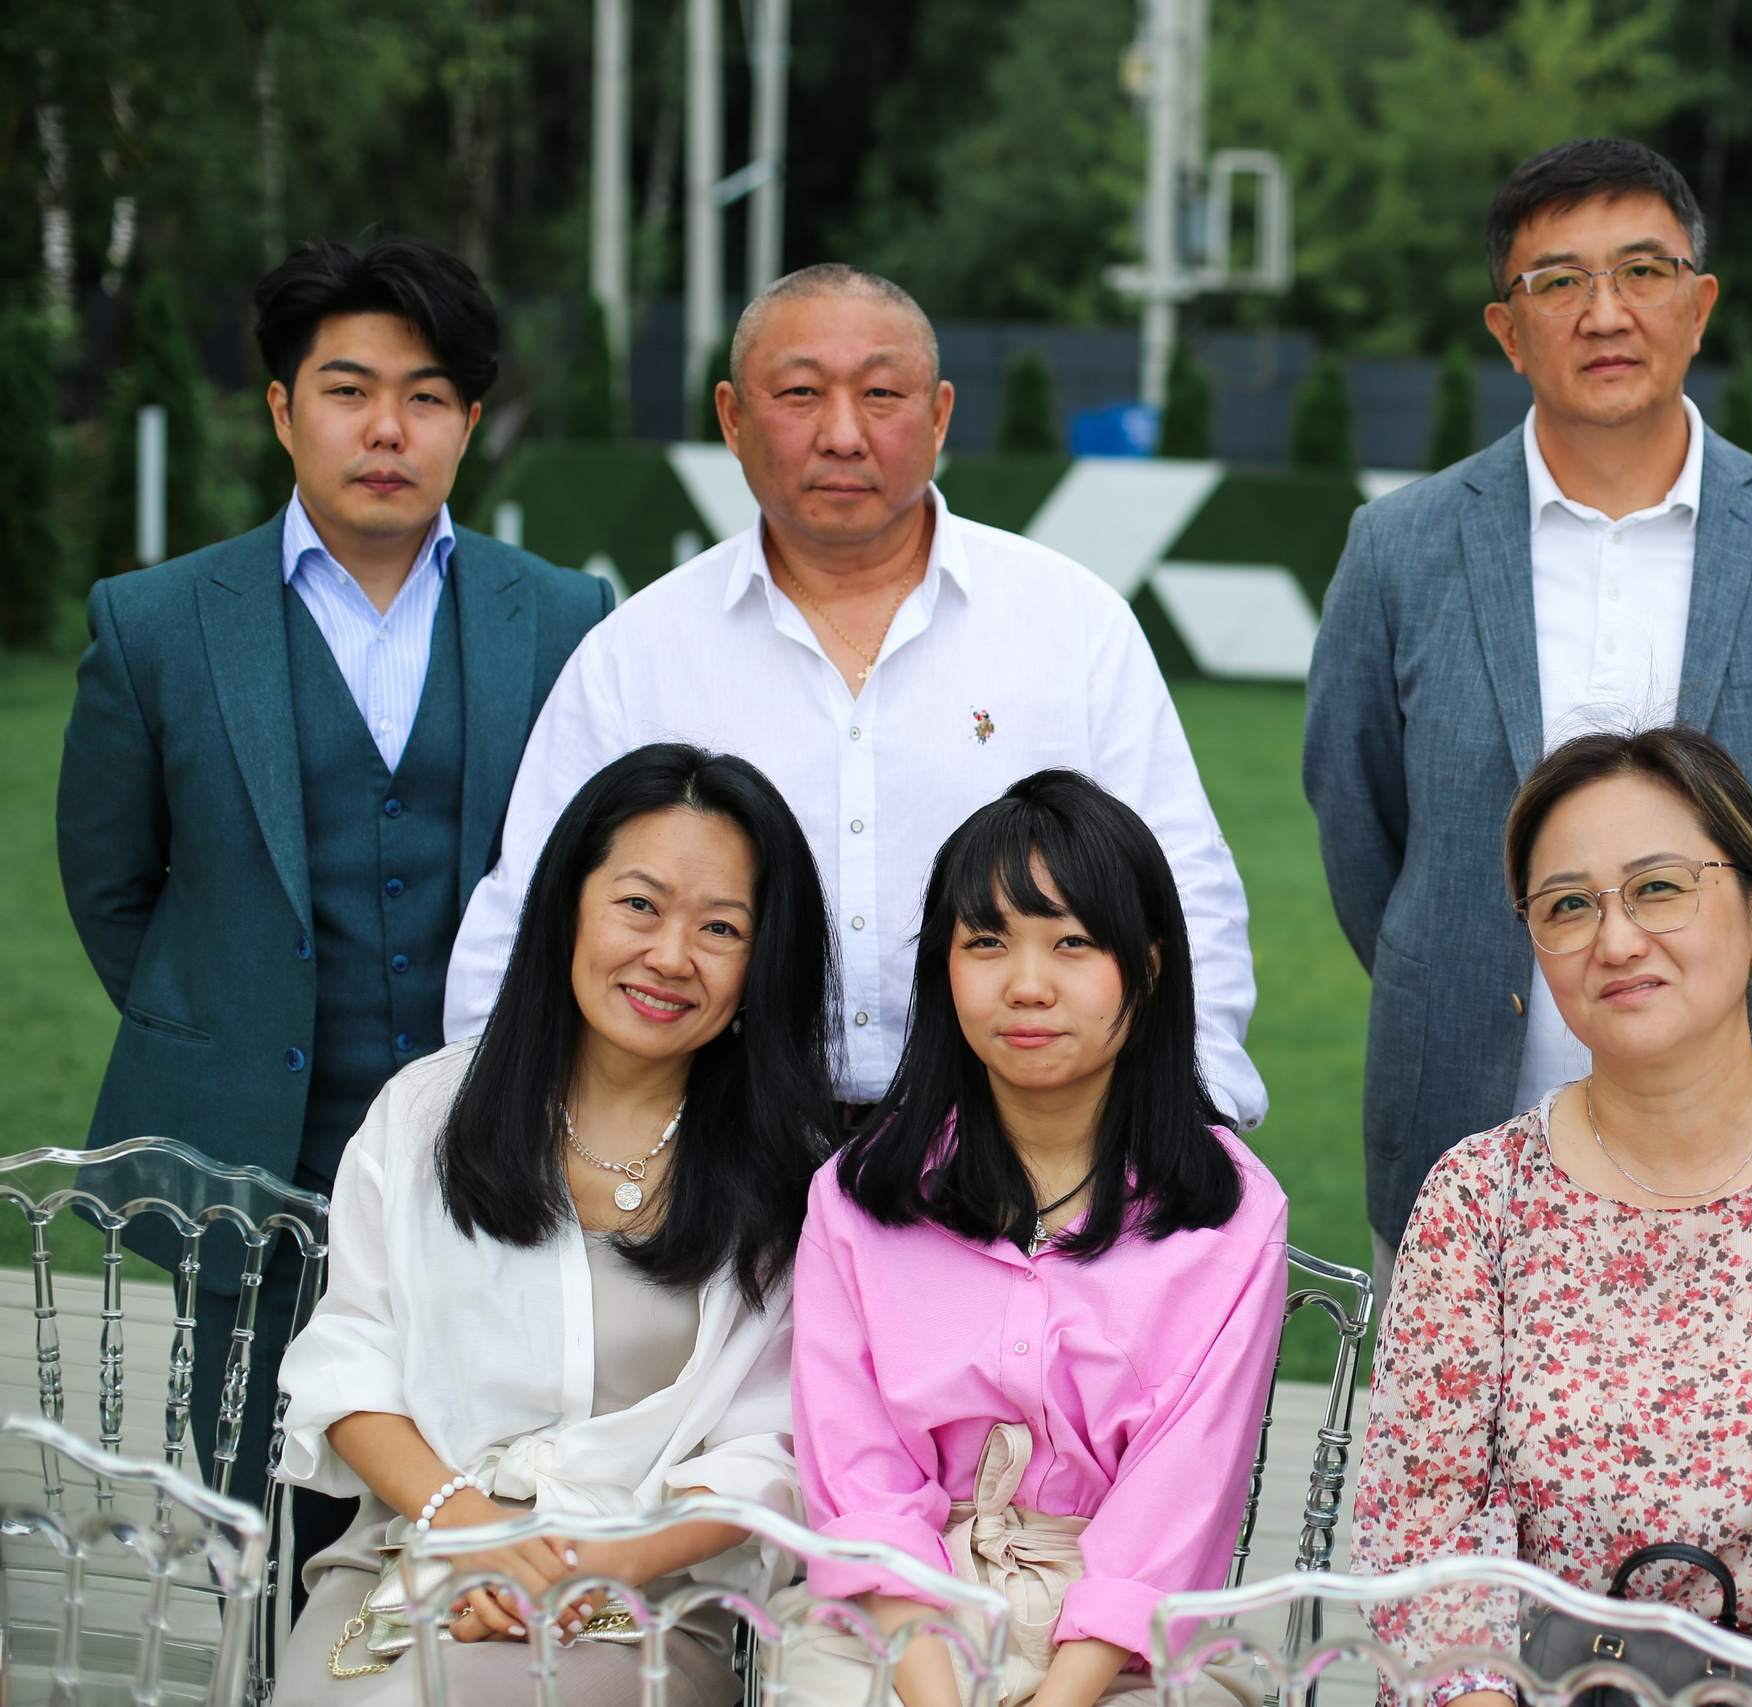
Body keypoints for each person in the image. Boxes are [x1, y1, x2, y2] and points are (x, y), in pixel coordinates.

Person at [56, 236, 612, 1542]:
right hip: (252, 1168)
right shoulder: (157, 622)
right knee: (264, 1528)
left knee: (485, 1530)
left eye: (425, 396)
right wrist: (232, 1014)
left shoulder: (564, 616)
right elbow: (111, 881)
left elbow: (596, 868)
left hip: (496, 1164)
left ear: (469, 425)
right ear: (282, 409)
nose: (385, 427)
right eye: (347, 387)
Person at [444, 264, 1262, 1135]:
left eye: (881, 393)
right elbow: (527, 907)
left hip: (1012, 1141)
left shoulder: (1071, 624)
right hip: (716, 1148)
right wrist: (487, 1119)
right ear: (731, 416)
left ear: (940, 414)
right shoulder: (641, 651)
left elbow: (1183, 888)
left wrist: (1192, 1117)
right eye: (799, 393)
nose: (842, 433)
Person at [1302, 138, 1752, 1298]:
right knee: (1453, 1480)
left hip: (1745, 1141)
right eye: (1557, 282)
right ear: (1505, 328)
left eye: (1643, 270)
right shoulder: (1400, 548)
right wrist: (1470, 959)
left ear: (1699, 304)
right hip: (1466, 1138)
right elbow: (1359, 821)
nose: (1604, 311)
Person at [1352, 725, 1752, 1707]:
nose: (1614, 940)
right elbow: (1418, 1538)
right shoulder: (1477, 1198)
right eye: (1568, 906)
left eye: (1658, 887)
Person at [269, 743, 837, 1707]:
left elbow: (774, 1446)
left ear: (761, 958)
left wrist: (594, 1560)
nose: (670, 955)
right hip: (414, 1550)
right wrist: (473, 1526)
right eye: (639, 904)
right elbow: (351, 1356)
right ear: (569, 902)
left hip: (643, 1592)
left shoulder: (792, 1172)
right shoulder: (428, 1111)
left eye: (721, 927)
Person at [787, 768, 1287, 1707]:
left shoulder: (1231, 1213)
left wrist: (1063, 1693)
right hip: (896, 1629)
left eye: (1072, 944)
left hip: (1122, 1651)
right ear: (944, 965)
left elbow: (1178, 1500)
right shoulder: (855, 1197)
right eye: (987, 943)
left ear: (1146, 965)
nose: (1026, 985)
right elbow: (862, 1484)